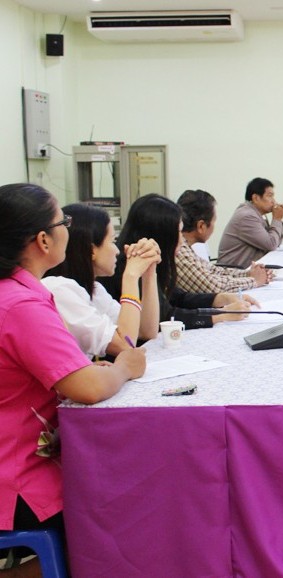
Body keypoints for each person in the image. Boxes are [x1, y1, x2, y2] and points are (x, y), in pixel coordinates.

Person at [0, 183, 145, 575]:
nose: (69, 227)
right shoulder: (21, 305)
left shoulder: (20, 293)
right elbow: (90, 388)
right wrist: (124, 368)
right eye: (63, 220)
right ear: (43, 240)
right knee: (123, 508)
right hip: (16, 477)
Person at [103, 194, 254, 330]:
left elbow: (178, 297)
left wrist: (220, 298)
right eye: (178, 233)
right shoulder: (129, 266)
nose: (182, 240)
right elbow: (165, 317)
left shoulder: (153, 261)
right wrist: (219, 316)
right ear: (163, 235)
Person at [42, 203, 161, 358]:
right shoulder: (58, 289)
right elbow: (126, 344)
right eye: (112, 240)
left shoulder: (94, 289)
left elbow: (146, 331)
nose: (117, 250)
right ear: (92, 250)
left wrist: (148, 273)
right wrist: (130, 277)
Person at [176, 189, 273, 293]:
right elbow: (214, 287)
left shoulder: (186, 247)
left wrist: (248, 273)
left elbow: (212, 270)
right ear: (201, 226)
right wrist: (254, 280)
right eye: (214, 221)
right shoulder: (179, 251)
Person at [217, 177, 283, 269]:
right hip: (234, 272)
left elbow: (275, 242)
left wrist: (278, 219)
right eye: (269, 196)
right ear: (255, 198)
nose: (273, 201)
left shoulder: (257, 214)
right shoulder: (247, 217)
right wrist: (277, 219)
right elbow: (271, 244)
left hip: (248, 270)